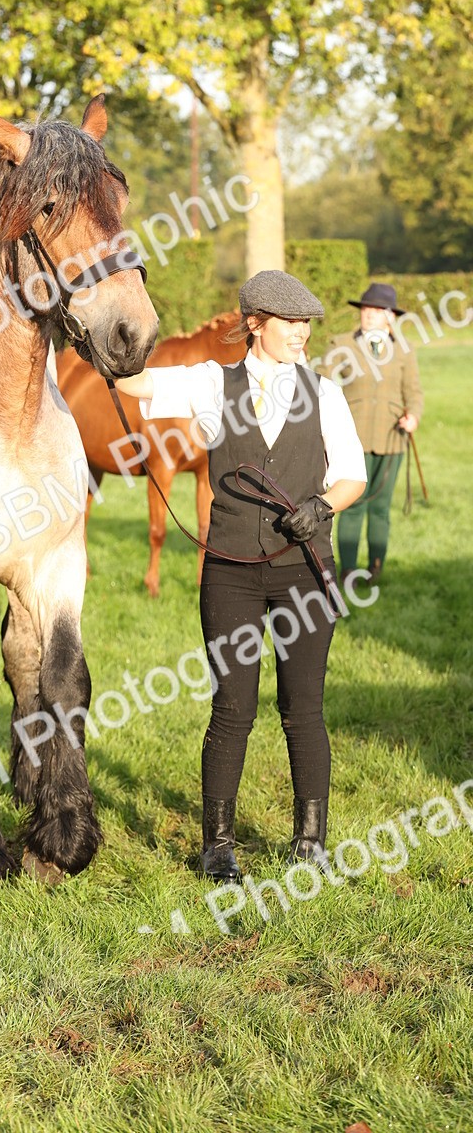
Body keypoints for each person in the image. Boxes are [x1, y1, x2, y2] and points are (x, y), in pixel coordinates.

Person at [115, 270, 367, 880]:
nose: (302, 333)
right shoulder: (209, 382)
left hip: (305, 573)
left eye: (307, 323)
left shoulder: (325, 393)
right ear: (255, 322)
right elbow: (135, 381)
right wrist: (108, 325)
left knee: (303, 707)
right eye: (290, 323)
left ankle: (310, 842)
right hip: (229, 571)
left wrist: (322, 507)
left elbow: (353, 475)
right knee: (232, 706)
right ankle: (218, 846)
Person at [318, 282, 423, 584]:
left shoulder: (404, 350)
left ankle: (376, 567)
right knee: (350, 504)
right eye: (366, 309)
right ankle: (347, 568)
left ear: (390, 316)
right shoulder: (342, 345)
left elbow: (414, 392)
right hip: (352, 439)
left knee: (380, 507)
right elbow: (323, 384)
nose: (369, 315)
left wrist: (413, 416)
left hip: (391, 440)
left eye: (376, 311)